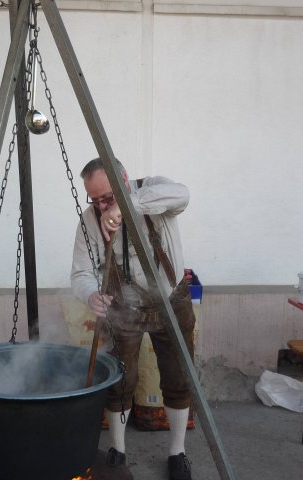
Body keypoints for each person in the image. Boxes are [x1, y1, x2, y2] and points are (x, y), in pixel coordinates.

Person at [70, 158, 196, 480]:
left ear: (124, 181)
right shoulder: (89, 221)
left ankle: (177, 452)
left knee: (178, 378)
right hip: (124, 308)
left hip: (172, 300)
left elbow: (182, 194)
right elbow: (82, 273)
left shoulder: (152, 191)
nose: (101, 206)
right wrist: (91, 295)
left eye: (107, 197)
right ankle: (118, 449)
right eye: (95, 200)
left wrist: (126, 206)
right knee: (120, 381)